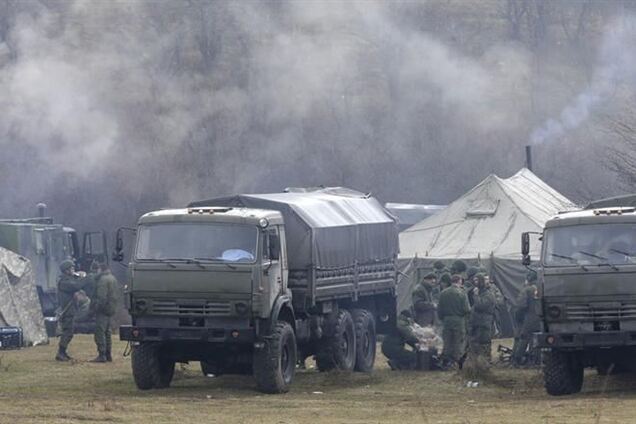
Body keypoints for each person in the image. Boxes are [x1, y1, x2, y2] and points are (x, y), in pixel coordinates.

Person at [55, 260, 88, 361]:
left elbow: (75, 283)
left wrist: (78, 277)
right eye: (71, 268)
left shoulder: (68, 279)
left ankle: (63, 352)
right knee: (68, 332)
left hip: (70, 309)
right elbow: (75, 286)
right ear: (66, 270)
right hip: (67, 310)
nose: (73, 270)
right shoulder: (63, 282)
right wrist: (84, 279)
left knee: (69, 331)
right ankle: (61, 353)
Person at [437, 274, 470, 369]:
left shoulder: (443, 293)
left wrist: (442, 319)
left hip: (447, 320)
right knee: (458, 341)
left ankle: (446, 362)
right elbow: (466, 309)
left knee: (447, 341)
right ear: (460, 281)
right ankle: (457, 362)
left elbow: (439, 309)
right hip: (459, 320)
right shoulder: (462, 293)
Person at [90, 262, 120, 363]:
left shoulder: (103, 280)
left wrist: (96, 308)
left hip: (103, 310)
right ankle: (108, 354)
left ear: (100, 269)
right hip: (111, 309)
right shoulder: (113, 278)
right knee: (108, 332)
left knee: (100, 332)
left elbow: (101, 297)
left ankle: (101, 354)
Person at [512, 269, 540, 365]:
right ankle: (535, 360)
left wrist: (518, 318)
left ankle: (517, 360)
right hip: (541, 319)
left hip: (529, 318)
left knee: (523, 338)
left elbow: (521, 306)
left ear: (528, 279)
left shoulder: (527, 290)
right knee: (536, 339)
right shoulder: (543, 288)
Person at [468, 274, 497, 362]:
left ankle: (485, 362)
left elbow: (481, 306)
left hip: (484, 323)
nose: (475, 282)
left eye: (477, 280)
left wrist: (476, 296)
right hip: (476, 323)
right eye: (474, 280)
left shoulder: (488, 294)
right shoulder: (475, 292)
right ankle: (475, 363)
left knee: (484, 343)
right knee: (474, 344)